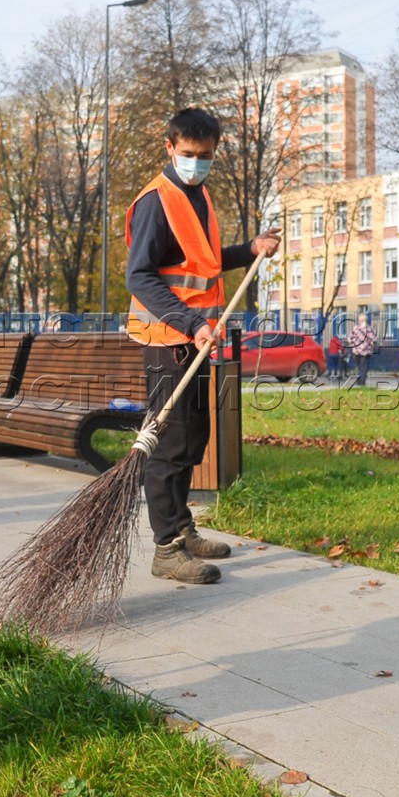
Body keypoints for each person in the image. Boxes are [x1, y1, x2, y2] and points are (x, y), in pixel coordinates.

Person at [125, 108, 281, 584]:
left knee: (193, 441)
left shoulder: (198, 195)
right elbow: (140, 275)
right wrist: (192, 322)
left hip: (195, 338)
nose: (197, 162)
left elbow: (206, 265)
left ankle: (183, 529)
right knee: (170, 447)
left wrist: (249, 249)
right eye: (188, 154)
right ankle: (166, 549)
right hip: (168, 340)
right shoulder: (158, 201)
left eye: (206, 156)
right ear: (169, 147)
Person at [346, 316, 379, 387]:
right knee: (364, 367)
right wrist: (371, 345)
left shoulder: (355, 328)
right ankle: (362, 382)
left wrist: (353, 343)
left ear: (359, 320)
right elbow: (374, 339)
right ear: (366, 320)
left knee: (359, 366)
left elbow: (349, 338)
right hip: (366, 351)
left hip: (356, 351)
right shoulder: (369, 329)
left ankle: (359, 381)